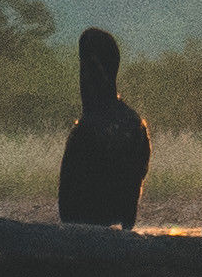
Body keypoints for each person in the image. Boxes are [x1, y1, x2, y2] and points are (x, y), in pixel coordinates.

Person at [56, 24, 156, 229]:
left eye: (87, 68)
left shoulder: (85, 132)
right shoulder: (135, 127)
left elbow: (66, 212)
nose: (83, 77)